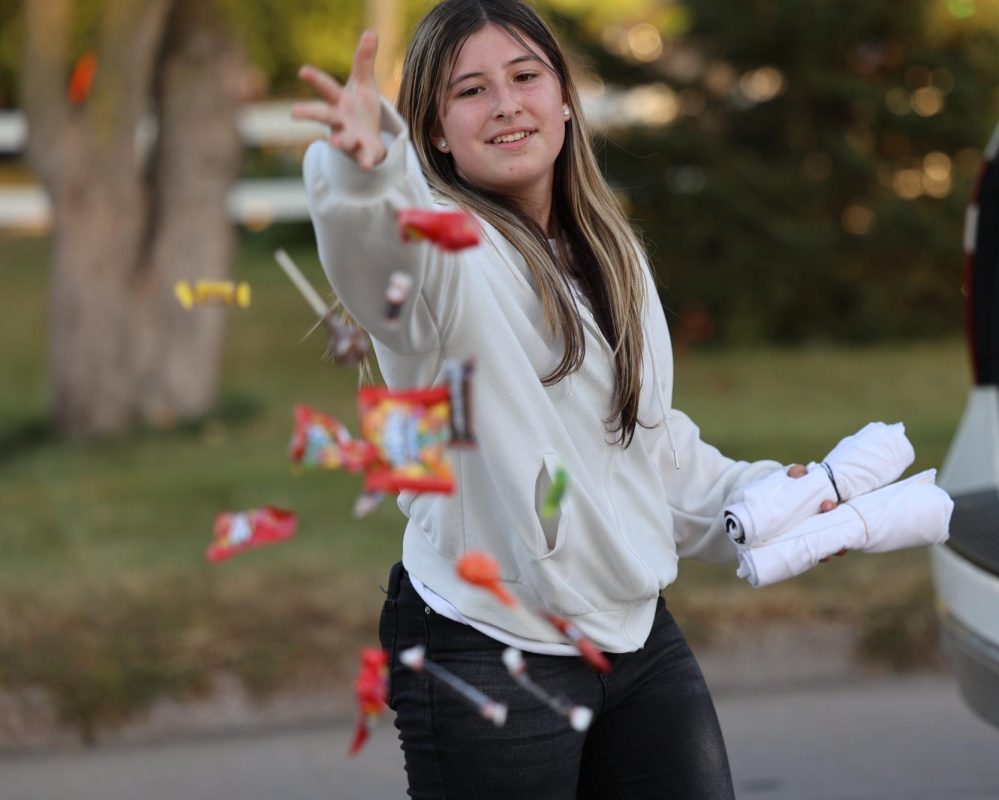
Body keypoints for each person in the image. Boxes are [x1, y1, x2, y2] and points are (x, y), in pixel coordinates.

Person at [294, 2, 824, 796]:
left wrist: (764, 498)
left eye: (524, 76)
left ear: (565, 99)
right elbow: (383, 259)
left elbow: (645, 452)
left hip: (630, 632)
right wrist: (367, 176)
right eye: (469, 90)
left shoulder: (611, 254)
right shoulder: (445, 252)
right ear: (435, 132)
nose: (505, 103)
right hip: (489, 642)